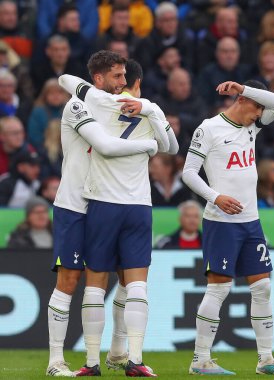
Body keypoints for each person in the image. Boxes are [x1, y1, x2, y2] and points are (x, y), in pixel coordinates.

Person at [47, 51, 174, 377]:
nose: (124, 83)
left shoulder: (117, 107)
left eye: (125, 77)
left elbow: (168, 142)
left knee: (124, 278)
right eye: (117, 77)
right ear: (100, 79)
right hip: (75, 204)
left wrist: (148, 111)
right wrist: (148, 146)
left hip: (105, 202)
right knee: (71, 280)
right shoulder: (79, 106)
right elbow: (104, 144)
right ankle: (55, 361)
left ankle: (119, 351)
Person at [182, 80, 274, 375]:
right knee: (219, 289)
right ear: (241, 101)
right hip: (221, 222)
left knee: (263, 287)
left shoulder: (251, 126)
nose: (260, 113)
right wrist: (215, 196)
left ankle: (266, 359)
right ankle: (200, 360)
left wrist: (244, 88)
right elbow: (189, 173)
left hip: (251, 222)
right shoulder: (208, 129)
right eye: (256, 107)